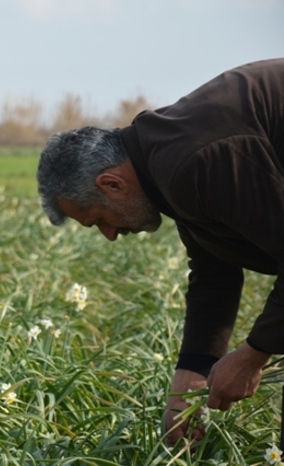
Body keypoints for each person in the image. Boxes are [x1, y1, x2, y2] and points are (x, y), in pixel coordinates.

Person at [36, 58, 284, 446]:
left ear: (112, 184)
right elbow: (214, 270)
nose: (110, 234)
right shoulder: (161, 160)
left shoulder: (190, 160)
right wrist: (192, 371)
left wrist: (253, 356)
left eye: (99, 219)